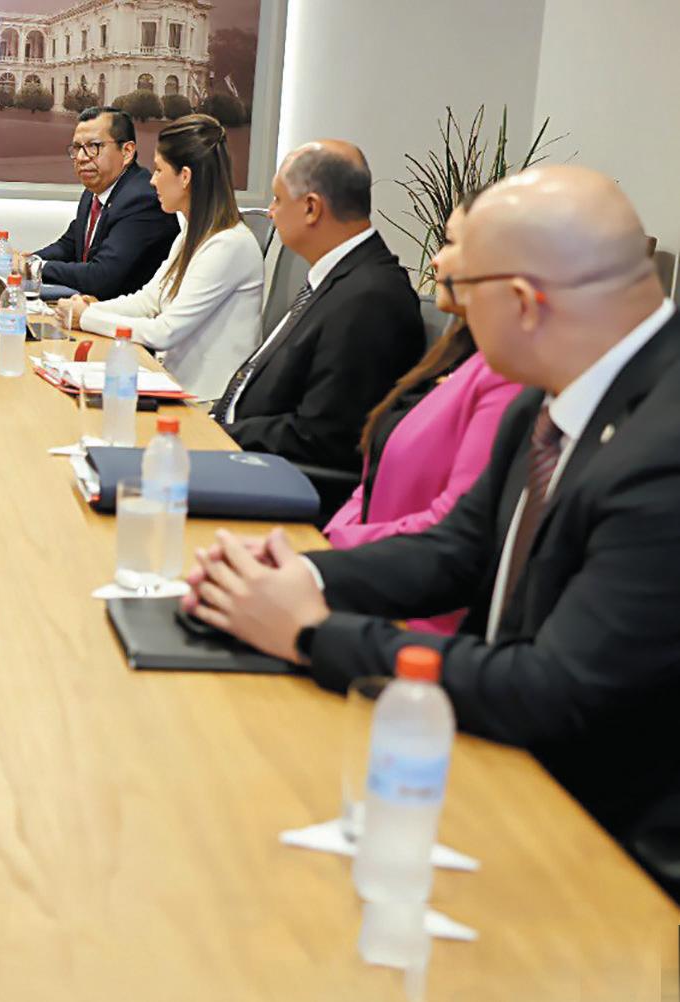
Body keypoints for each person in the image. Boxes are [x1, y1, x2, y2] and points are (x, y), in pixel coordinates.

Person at [181, 166, 680, 900]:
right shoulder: (554, 391)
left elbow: (554, 688)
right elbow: (459, 550)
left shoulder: (662, 456)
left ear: (523, 303)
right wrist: (302, 574)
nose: (451, 300)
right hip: (515, 766)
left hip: (608, 852)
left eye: (464, 286)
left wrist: (312, 634)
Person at [321, 191, 522, 632]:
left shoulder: (507, 379)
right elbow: (371, 483)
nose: (435, 259)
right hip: (364, 577)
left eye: (450, 244)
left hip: (410, 613)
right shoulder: (456, 355)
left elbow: (448, 525)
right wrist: (331, 542)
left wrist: (330, 553)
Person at [209, 141, 426, 486]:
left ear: (311, 208)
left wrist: (220, 433)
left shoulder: (370, 298)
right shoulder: (339, 278)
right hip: (243, 452)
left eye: (278, 199)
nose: (270, 212)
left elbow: (324, 435)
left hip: (274, 480)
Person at [52, 115, 261, 403]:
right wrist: (88, 308)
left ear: (184, 177)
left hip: (204, 404)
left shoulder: (228, 244)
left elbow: (165, 331)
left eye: (160, 170)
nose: (152, 180)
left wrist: (86, 318)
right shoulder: (192, 235)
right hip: (170, 382)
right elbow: (148, 301)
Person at [24, 106, 182, 300]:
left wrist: (35, 267)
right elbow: (69, 245)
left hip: (131, 314)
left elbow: (101, 277)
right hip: (91, 308)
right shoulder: (93, 193)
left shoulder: (142, 199)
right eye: (77, 148)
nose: (81, 158)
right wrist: (28, 260)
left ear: (127, 152)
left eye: (93, 146)